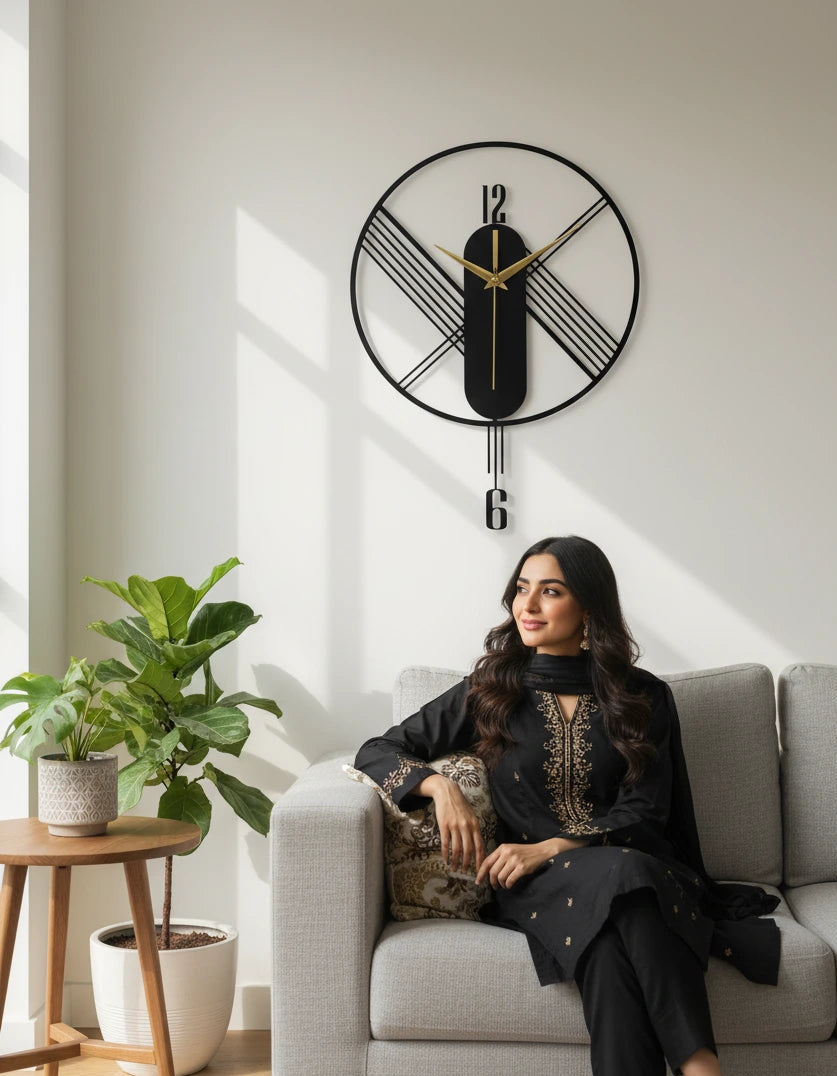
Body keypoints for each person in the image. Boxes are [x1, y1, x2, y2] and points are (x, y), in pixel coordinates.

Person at [354, 535, 781, 1076]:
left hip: (629, 863)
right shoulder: (491, 690)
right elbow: (378, 749)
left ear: (588, 607)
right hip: (532, 885)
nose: (527, 606)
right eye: (521, 589)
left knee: (608, 944)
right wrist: (442, 789)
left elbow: (647, 811)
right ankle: (701, 1068)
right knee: (627, 886)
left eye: (549, 591)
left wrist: (552, 846)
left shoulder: (642, 697)